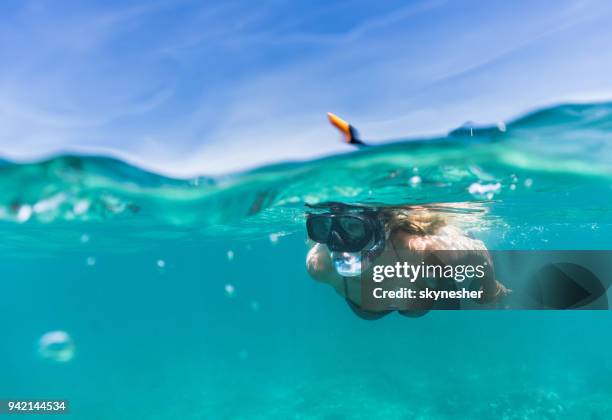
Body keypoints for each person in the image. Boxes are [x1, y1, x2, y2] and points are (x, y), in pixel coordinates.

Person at [306, 202, 511, 319]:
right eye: (322, 228)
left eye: (353, 227)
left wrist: (489, 288)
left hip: (417, 285)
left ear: (381, 228)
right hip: (368, 302)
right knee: (370, 312)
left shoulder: (424, 250)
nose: (337, 242)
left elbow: (479, 250)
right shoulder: (320, 266)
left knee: (418, 304)